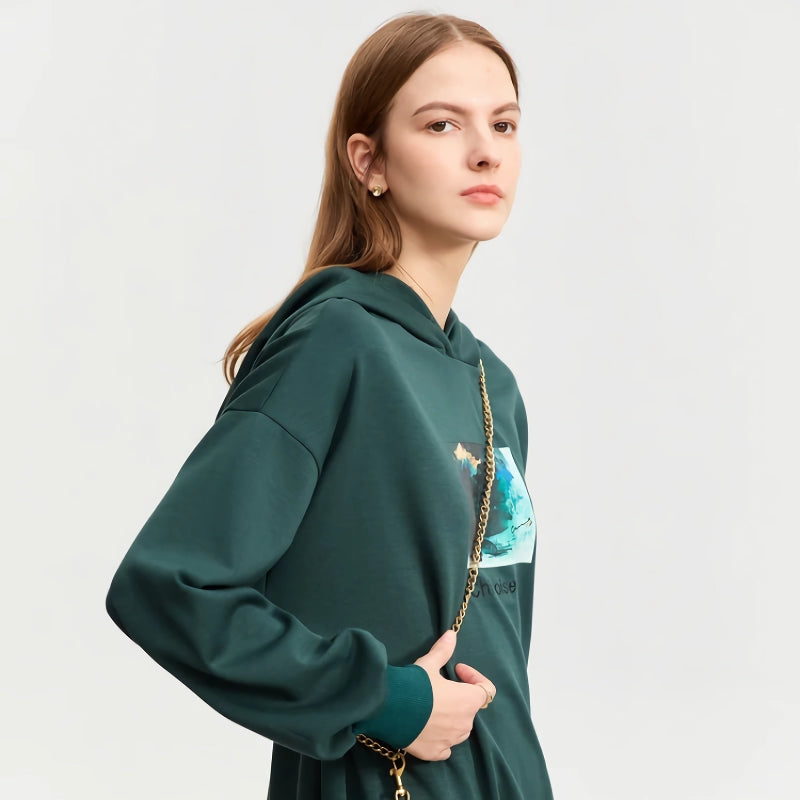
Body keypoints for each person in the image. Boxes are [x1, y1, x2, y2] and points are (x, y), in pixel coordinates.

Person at [106, 11, 553, 800]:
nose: (486, 150)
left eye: (504, 124)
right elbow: (170, 585)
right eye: (442, 124)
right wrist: (387, 698)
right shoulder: (335, 344)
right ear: (368, 161)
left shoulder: (495, 386)